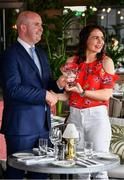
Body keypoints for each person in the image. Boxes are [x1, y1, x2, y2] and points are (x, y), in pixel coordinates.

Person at [0, 11, 65, 179]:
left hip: (43, 127)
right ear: (23, 27)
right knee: (16, 173)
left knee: (42, 174)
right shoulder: (10, 55)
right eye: (37, 24)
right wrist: (44, 94)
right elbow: (12, 89)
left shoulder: (41, 54)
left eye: (41, 25)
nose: (41, 29)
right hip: (21, 127)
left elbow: (46, 83)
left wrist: (58, 84)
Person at [53, 24, 118, 179]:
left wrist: (83, 92)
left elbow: (107, 94)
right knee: (79, 167)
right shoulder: (72, 62)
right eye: (95, 37)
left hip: (97, 118)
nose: (100, 41)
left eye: (102, 38)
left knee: (99, 167)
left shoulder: (106, 62)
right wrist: (55, 95)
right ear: (85, 40)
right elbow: (69, 95)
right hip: (74, 117)